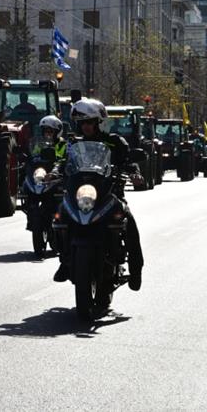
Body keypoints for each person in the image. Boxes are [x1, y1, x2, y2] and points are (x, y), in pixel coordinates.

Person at [53, 97, 145, 291]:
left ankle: (136, 270)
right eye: (82, 123)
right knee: (60, 217)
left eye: (89, 122)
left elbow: (128, 160)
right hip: (81, 195)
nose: (86, 126)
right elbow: (64, 162)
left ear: (98, 122)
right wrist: (54, 172)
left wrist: (134, 172)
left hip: (108, 194)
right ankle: (65, 259)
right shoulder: (73, 143)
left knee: (129, 223)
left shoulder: (114, 141)